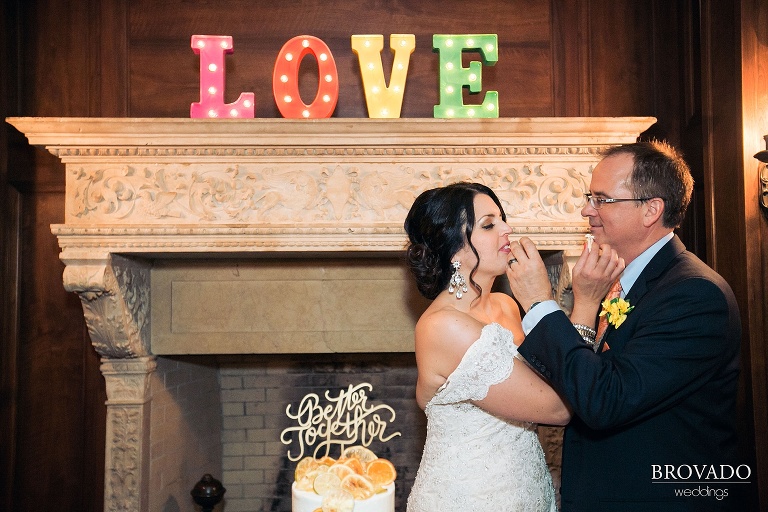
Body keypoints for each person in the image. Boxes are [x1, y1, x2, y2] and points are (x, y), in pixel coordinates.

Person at [506, 140, 744, 511]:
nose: (587, 210)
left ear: (651, 209)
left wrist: (539, 304)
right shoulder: (621, 281)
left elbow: (606, 400)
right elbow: (585, 377)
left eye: (602, 200)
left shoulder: (695, 295)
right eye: (590, 197)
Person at [403, 182, 621, 512]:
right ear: (453, 249)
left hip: (527, 489)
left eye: (502, 219)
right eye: (489, 224)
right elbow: (557, 408)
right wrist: (586, 303)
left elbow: (553, 379)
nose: (507, 228)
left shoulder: (505, 305)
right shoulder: (442, 327)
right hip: (472, 499)